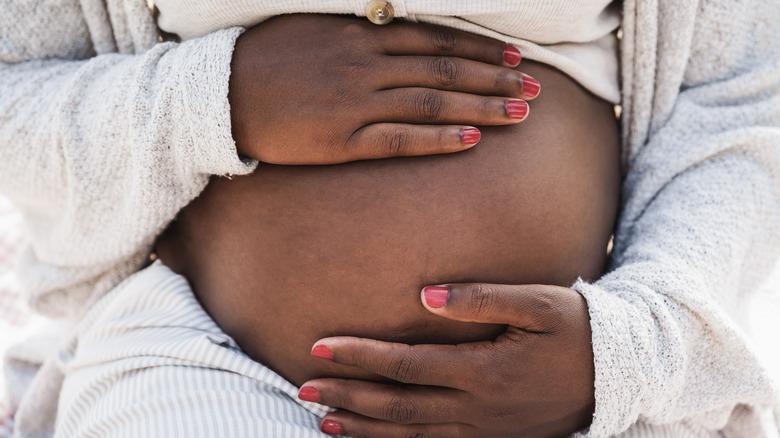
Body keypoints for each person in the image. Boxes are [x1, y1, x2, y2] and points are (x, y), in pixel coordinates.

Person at [1, 2, 778, 438]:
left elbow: (737, 104)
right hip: (203, 360)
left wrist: (622, 355)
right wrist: (212, 98)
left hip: (579, 395)